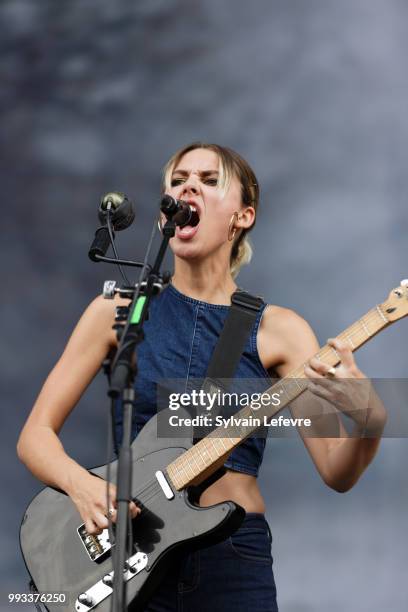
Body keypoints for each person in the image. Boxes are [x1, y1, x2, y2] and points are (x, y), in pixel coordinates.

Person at [17, 142, 387, 611]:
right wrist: (82, 485)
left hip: (231, 559)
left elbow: (338, 472)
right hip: (128, 553)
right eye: (178, 180)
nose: (189, 185)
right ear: (164, 217)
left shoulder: (282, 331)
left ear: (243, 216)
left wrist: (370, 415)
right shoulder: (117, 312)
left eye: (210, 181)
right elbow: (35, 437)